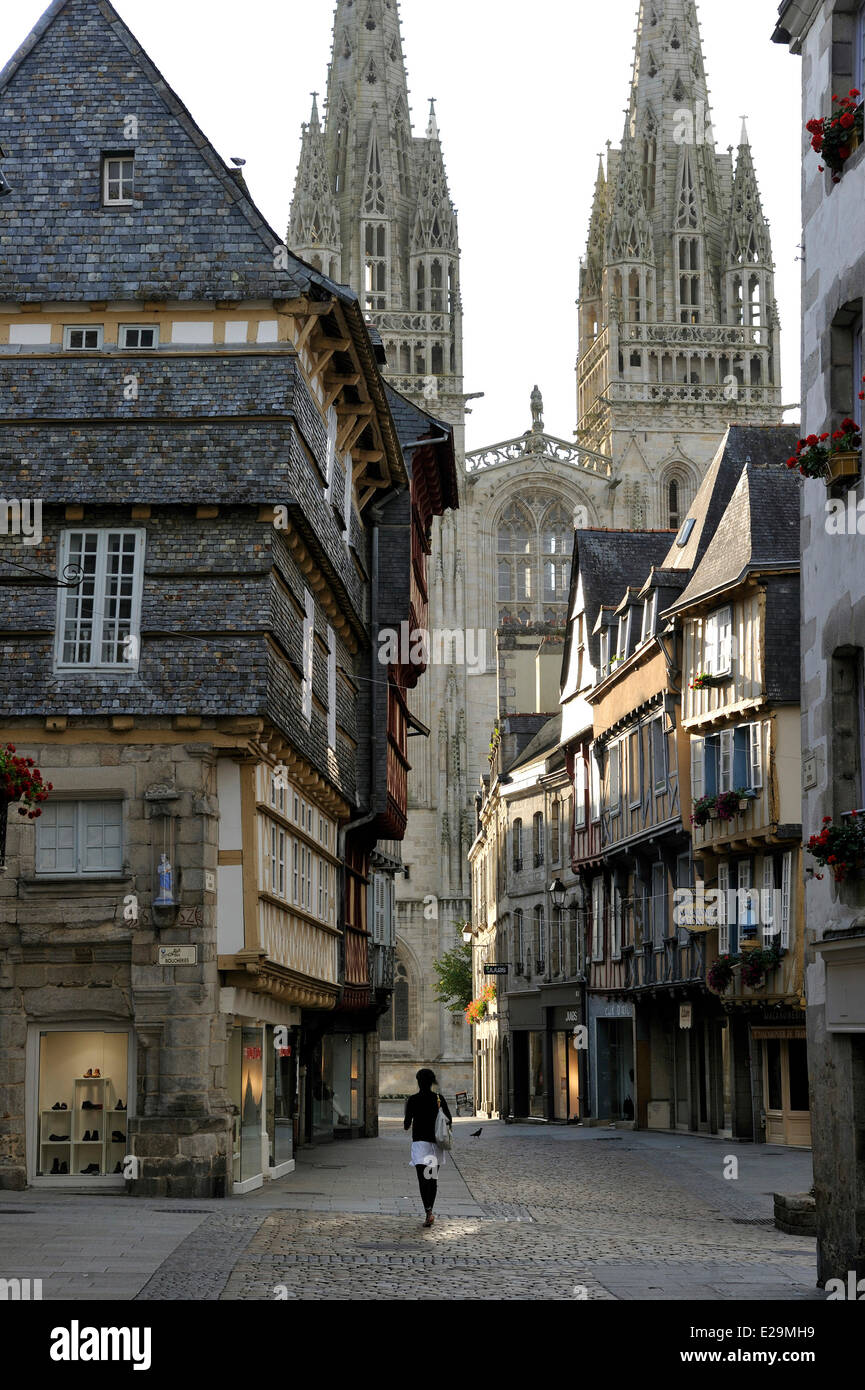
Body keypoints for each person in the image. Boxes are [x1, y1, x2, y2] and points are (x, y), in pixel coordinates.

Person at [404, 1068, 452, 1228]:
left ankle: (428, 1211)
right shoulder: (439, 1098)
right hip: (435, 1146)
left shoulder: (413, 1099)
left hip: (420, 1145)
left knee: (422, 1179)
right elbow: (449, 1120)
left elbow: (406, 1125)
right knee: (432, 1179)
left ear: (418, 1081)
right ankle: (430, 1210)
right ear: (432, 1082)